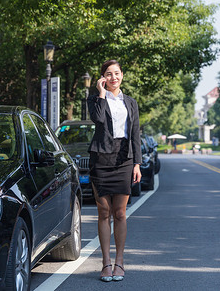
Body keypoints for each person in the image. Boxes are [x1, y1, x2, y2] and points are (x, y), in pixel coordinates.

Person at [87, 59, 142, 282]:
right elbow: (98, 119)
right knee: (104, 213)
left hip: (124, 158)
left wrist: (137, 163)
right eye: (108, 74)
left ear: (122, 75)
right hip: (101, 158)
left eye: (116, 73)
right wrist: (100, 93)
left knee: (120, 213)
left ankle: (120, 262)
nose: (113, 78)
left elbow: (136, 133)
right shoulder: (95, 100)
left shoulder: (131, 102)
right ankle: (105, 263)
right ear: (102, 78)